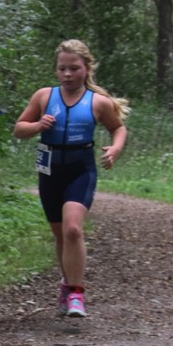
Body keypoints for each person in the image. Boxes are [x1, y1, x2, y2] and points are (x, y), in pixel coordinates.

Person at [13, 38, 129, 318]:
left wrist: (115, 149)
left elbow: (118, 129)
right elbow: (19, 129)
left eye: (74, 68)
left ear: (86, 68)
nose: (67, 74)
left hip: (81, 169)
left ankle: (76, 293)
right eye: (62, 68)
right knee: (60, 234)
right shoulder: (44, 96)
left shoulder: (98, 102)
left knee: (73, 229)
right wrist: (38, 125)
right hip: (50, 169)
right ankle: (67, 286)